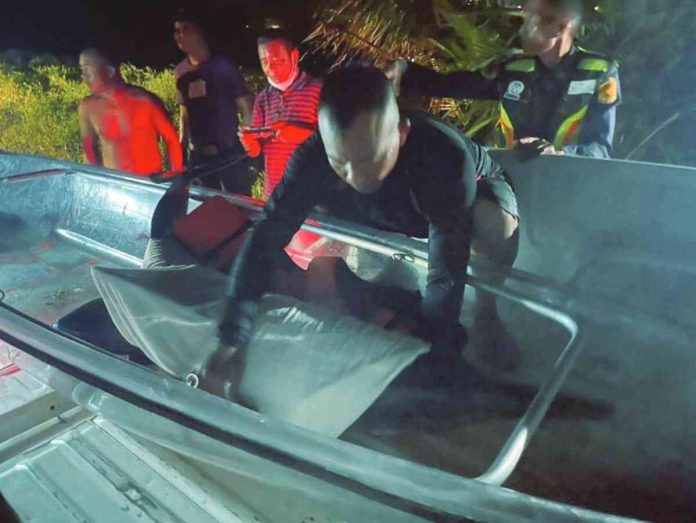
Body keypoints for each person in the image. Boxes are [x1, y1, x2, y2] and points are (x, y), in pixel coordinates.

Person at [203, 67, 520, 397]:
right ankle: (381, 287)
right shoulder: (313, 158)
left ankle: (487, 314)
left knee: (491, 223)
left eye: (368, 157)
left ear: (400, 133)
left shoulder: (443, 158)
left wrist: (435, 354)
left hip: (466, 199)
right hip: (388, 207)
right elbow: (266, 237)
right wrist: (231, 339)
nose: (355, 175)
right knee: (316, 220)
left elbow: (446, 269)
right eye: (341, 161)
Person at [387, 0, 621, 158]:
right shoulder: (515, 69)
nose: (523, 29)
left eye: (532, 20)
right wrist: (404, 71)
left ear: (559, 28)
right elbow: (451, 84)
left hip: (567, 186)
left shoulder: (599, 72)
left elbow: (600, 147)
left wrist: (559, 155)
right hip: (511, 180)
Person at [173, 8, 255, 193]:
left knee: (237, 207)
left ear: (199, 32)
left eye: (185, 29)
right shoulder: (181, 72)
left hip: (228, 154)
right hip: (199, 156)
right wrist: (181, 150)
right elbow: (184, 114)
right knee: (205, 208)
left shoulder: (223, 67)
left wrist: (247, 148)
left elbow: (246, 106)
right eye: (176, 31)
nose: (179, 36)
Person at [238, 30, 323, 200]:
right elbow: (256, 151)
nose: (271, 69)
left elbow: (332, 143)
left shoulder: (318, 90)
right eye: (264, 62)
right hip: (274, 195)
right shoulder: (263, 98)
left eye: (277, 60)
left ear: (294, 55)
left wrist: (299, 135)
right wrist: (248, 142)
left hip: (311, 198)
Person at [78, 48, 183, 176]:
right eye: (82, 70)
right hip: (114, 186)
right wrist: (95, 181)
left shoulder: (146, 101)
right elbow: (89, 150)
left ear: (110, 71)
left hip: (148, 183)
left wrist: (175, 176)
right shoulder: (88, 107)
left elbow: (172, 140)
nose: (83, 76)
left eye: (88, 70)